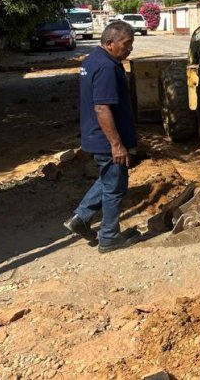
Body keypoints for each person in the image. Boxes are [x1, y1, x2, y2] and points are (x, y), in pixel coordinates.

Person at [64, 21, 142, 253]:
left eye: (132, 44)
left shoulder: (93, 60)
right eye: (126, 44)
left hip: (97, 137)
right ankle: (109, 237)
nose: (130, 49)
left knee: (109, 179)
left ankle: (81, 218)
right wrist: (117, 144)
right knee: (115, 187)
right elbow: (102, 108)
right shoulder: (107, 67)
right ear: (110, 43)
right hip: (107, 140)